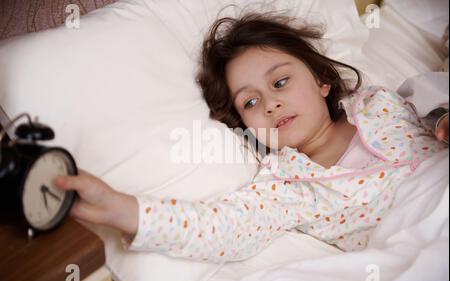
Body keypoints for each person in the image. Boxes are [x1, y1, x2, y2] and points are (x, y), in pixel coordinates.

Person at [54, 13, 449, 263]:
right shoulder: (285, 189)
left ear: (322, 80)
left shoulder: (384, 104)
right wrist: (122, 209)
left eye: (280, 82)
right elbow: (220, 227)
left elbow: (433, 93)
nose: (272, 104)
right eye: (251, 102)